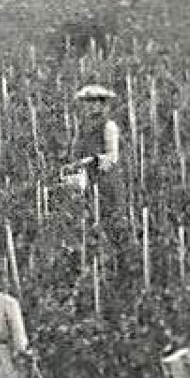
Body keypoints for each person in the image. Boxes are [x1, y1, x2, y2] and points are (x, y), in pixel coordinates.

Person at [67, 84, 128, 279]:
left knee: (109, 220)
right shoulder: (82, 129)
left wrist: (90, 161)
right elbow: (76, 154)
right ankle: (94, 268)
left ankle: (116, 268)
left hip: (105, 181)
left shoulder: (108, 126)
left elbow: (112, 157)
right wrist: (73, 166)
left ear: (102, 105)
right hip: (86, 181)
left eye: (95, 102)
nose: (91, 107)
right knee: (88, 221)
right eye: (88, 103)